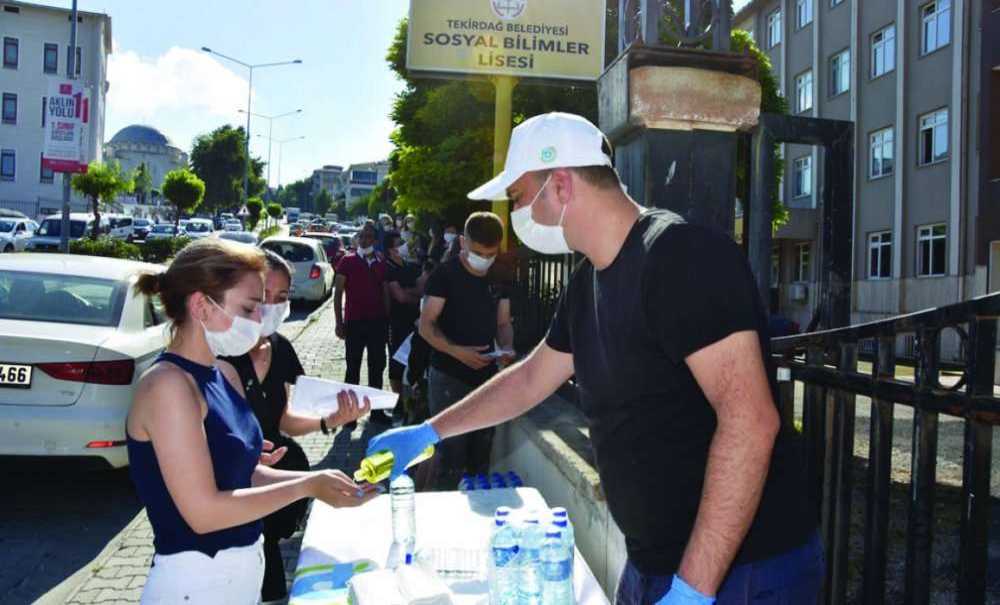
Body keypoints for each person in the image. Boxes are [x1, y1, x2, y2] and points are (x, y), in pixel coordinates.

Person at [366, 113, 821, 605]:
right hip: (658, 565)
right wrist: (432, 431)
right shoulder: (588, 282)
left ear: (560, 184)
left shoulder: (679, 256)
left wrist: (694, 589)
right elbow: (529, 380)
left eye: (519, 198)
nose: (516, 214)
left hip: (742, 571)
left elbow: (750, 421)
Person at [128, 238, 378, 604]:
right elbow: (204, 512)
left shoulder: (221, 374)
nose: (259, 321)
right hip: (194, 583)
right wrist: (307, 487)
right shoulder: (169, 386)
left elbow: (243, 476)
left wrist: (318, 481)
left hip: (243, 572)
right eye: (249, 308)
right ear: (200, 305)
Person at [218, 250, 369, 603]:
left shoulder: (281, 349)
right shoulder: (217, 357)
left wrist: (329, 420)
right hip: (230, 506)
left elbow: (284, 419)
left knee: (270, 586)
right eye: (261, 297)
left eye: (281, 298)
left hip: (270, 500)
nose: (269, 307)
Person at [416, 211, 514, 489]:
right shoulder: (444, 275)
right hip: (448, 376)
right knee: (450, 457)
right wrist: (457, 352)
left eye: (490, 253)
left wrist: (506, 347)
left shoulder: (500, 275)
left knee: (481, 455)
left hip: (486, 378)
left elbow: (503, 322)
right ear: (462, 242)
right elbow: (426, 325)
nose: (484, 259)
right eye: (477, 252)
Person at [334, 223, 389, 428]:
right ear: (358, 238)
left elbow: (385, 291)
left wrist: (387, 318)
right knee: (352, 369)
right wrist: (339, 322)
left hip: (377, 323)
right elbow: (338, 293)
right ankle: (350, 415)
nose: (365, 240)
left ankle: (376, 412)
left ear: (375, 240)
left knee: (377, 368)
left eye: (369, 237)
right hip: (354, 323)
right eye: (362, 236)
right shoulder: (346, 261)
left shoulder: (381, 262)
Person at [384, 232, 423, 398]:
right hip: (396, 322)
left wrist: (409, 292)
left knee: (413, 358)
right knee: (396, 362)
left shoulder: (410, 266)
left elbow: (422, 291)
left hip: (413, 321)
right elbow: (400, 296)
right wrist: (412, 294)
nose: (404, 245)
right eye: (399, 243)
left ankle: (411, 398)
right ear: (391, 249)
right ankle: (398, 400)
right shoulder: (388, 268)